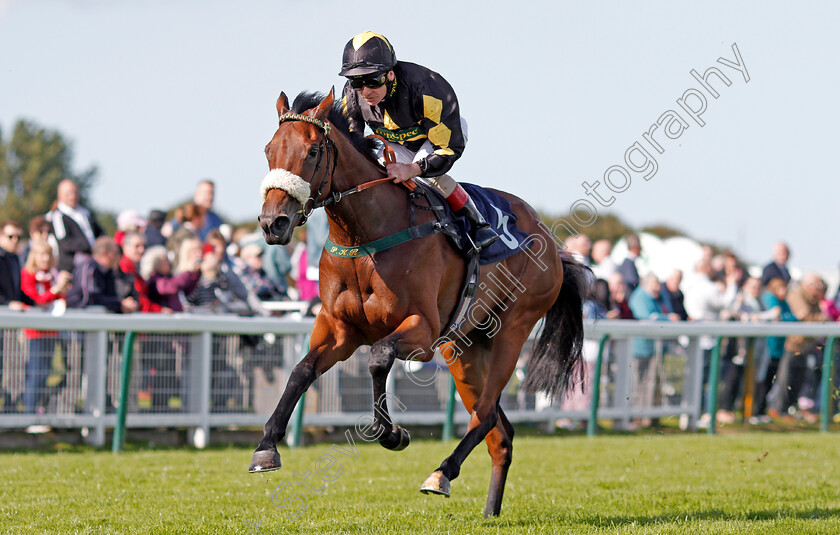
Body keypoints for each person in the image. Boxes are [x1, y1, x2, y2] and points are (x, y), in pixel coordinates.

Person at [338, 30, 498, 250]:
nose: (365, 91)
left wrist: (412, 169)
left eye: (372, 81)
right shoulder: (352, 95)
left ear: (390, 74)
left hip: (440, 137)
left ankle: (479, 224)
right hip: (396, 142)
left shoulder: (428, 88)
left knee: (432, 178)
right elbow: (352, 143)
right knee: (376, 174)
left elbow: (448, 149)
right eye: (357, 82)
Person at [20, 239, 72, 414]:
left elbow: (55, 302)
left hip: (51, 330)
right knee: (36, 373)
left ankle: (38, 409)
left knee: (46, 373)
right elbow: (35, 300)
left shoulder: (52, 276)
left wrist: (61, 291)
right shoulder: (28, 275)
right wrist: (56, 289)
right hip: (34, 331)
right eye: (42, 254)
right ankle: (29, 413)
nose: (45, 258)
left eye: (49, 254)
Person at [628, 274, 680, 425]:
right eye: (655, 283)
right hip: (641, 347)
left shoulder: (659, 296)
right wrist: (668, 319)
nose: (658, 286)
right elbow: (645, 317)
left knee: (653, 382)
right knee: (639, 383)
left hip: (655, 347)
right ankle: (638, 416)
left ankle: (650, 417)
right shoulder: (639, 297)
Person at [757, 278, 797, 420]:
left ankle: (762, 410)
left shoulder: (783, 302)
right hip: (768, 347)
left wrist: (785, 317)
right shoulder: (769, 298)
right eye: (781, 288)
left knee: (770, 381)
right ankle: (757, 411)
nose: (784, 291)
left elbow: (792, 318)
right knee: (763, 380)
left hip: (779, 348)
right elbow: (782, 318)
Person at [66, 237, 138, 314]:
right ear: (104, 253)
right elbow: (90, 298)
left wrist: (125, 304)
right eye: (115, 253)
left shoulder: (108, 272)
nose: (118, 257)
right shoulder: (89, 268)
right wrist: (120, 304)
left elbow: (110, 297)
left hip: (97, 318)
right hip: (79, 318)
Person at [49, 179, 104, 272]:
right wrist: (87, 247)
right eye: (68, 194)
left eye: (74, 193)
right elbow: (64, 243)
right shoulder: (57, 216)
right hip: (72, 268)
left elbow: (99, 233)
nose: (72, 196)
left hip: (92, 264)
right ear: (60, 196)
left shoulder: (85, 213)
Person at [0, 220, 31, 309]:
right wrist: (8, 303)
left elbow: (16, 291)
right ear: (1, 236)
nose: (15, 240)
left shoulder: (14, 258)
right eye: (11, 236)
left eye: (18, 237)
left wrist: (36, 304)